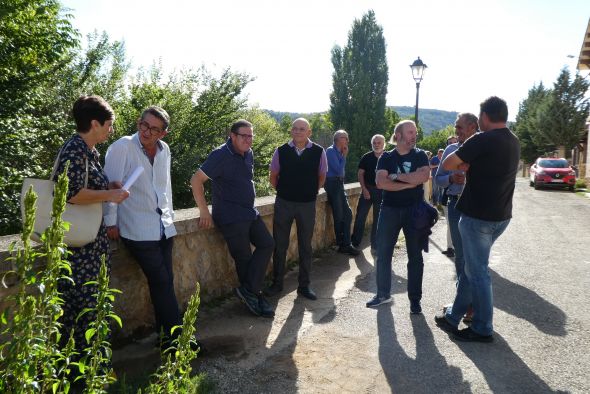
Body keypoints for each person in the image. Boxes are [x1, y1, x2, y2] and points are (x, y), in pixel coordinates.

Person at [104, 106, 192, 350]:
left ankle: (168, 339)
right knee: (162, 282)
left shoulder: (165, 151)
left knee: (164, 282)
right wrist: (110, 221)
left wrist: (170, 218)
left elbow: (166, 188)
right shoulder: (123, 146)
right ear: (138, 122)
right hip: (137, 228)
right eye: (144, 124)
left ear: (163, 133)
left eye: (154, 129)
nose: (146, 131)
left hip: (163, 227)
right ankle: (178, 342)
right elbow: (110, 184)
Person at [435, 96, 520, 342]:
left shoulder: (482, 139)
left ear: (484, 117)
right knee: (472, 270)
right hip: (500, 217)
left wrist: (467, 157)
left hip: (478, 218)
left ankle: (482, 327)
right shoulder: (513, 141)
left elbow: (450, 163)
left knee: (477, 272)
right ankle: (453, 316)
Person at [56, 95, 129, 363]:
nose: (111, 130)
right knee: (85, 308)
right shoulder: (75, 149)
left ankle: (87, 370)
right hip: (80, 250)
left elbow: (87, 188)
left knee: (90, 307)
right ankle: (86, 371)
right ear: (95, 123)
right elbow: (71, 193)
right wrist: (110, 196)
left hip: (90, 243)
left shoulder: (89, 151)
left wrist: (109, 188)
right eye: (109, 124)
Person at [191, 119, 275, 318]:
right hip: (230, 216)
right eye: (243, 136)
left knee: (267, 243)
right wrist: (204, 211)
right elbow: (196, 180)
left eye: (250, 136)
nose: (248, 140)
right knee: (243, 259)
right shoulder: (220, 155)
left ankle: (249, 291)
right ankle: (254, 296)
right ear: (232, 136)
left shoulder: (248, 153)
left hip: (248, 211)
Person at [365, 120, 430, 313]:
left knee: (415, 257)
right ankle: (383, 294)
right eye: (410, 132)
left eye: (415, 132)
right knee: (383, 254)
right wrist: (409, 183)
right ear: (398, 135)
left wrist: (395, 177)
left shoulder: (420, 155)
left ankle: (415, 301)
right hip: (390, 210)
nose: (414, 135)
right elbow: (380, 183)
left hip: (415, 211)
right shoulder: (386, 157)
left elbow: (423, 177)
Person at [265, 118, 328, 300]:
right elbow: (273, 176)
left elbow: (322, 176)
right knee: (279, 245)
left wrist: (309, 192)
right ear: (291, 131)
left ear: (309, 132)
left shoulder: (318, 151)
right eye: (295, 129)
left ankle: (304, 286)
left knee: (305, 246)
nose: (298, 131)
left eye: (302, 129)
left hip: (307, 204)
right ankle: (277, 284)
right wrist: (286, 192)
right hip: (284, 203)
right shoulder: (281, 151)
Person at [435, 113, 478, 323]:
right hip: (455, 204)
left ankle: (468, 307)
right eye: (455, 127)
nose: (456, 131)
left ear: (472, 127)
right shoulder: (451, 150)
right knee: (461, 257)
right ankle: (466, 307)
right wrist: (451, 177)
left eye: (460, 127)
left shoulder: (482, 148)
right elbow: (438, 179)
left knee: (475, 260)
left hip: (477, 208)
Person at [325, 130, 360, 256]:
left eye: (347, 137)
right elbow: (339, 171)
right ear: (337, 139)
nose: (347, 140)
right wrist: (344, 156)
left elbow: (341, 173)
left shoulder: (339, 152)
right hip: (332, 184)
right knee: (339, 215)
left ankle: (345, 243)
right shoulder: (330, 151)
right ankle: (343, 245)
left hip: (339, 184)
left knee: (348, 214)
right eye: (345, 137)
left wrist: (343, 155)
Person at [351, 134, 385, 254]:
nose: (376, 145)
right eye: (374, 143)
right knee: (360, 217)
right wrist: (364, 189)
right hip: (367, 190)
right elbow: (360, 173)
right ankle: (355, 243)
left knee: (378, 220)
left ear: (383, 143)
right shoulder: (366, 157)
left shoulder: (388, 157)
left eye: (378, 143)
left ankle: (375, 246)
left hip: (382, 192)